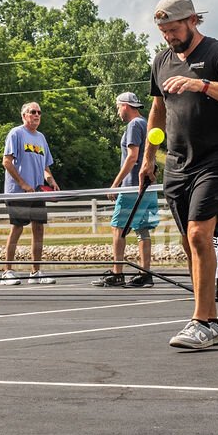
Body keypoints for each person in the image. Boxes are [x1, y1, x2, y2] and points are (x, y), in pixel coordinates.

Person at [139, 0, 218, 349]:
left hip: (217, 158)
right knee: (191, 244)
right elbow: (157, 110)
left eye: (173, 29)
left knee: (201, 236)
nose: (168, 37)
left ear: (192, 21)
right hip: (176, 163)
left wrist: (200, 84)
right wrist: (148, 159)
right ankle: (211, 320)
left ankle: (201, 320)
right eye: (163, 31)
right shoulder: (161, 61)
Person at [93, 92, 159, 288]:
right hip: (149, 185)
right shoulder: (146, 123)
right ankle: (145, 273)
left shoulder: (133, 125)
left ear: (125, 106)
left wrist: (115, 184)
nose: (117, 111)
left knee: (118, 227)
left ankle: (117, 272)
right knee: (142, 229)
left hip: (132, 185)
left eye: (117, 106)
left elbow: (132, 157)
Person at [1, 102, 59, 286]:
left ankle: (35, 272)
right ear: (24, 115)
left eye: (39, 112)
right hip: (18, 192)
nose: (37, 115)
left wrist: (51, 180)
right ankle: (7, 272)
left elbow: (45, 167)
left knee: (39, 229)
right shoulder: (16, 133)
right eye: (33, 112)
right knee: (17, 228)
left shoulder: (41, 138)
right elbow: (7, 162)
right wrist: (23, 184)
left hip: (37, 192)